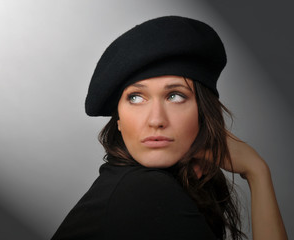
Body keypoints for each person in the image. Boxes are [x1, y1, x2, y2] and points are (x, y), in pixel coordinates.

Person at [52, 16, 287, 240]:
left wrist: (257, 171)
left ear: (203, 113)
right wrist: (257, 170)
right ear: (119, 121)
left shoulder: (139, 184)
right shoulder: (146, 192)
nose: (156, 120)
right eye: (136, 98)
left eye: (174, 96)